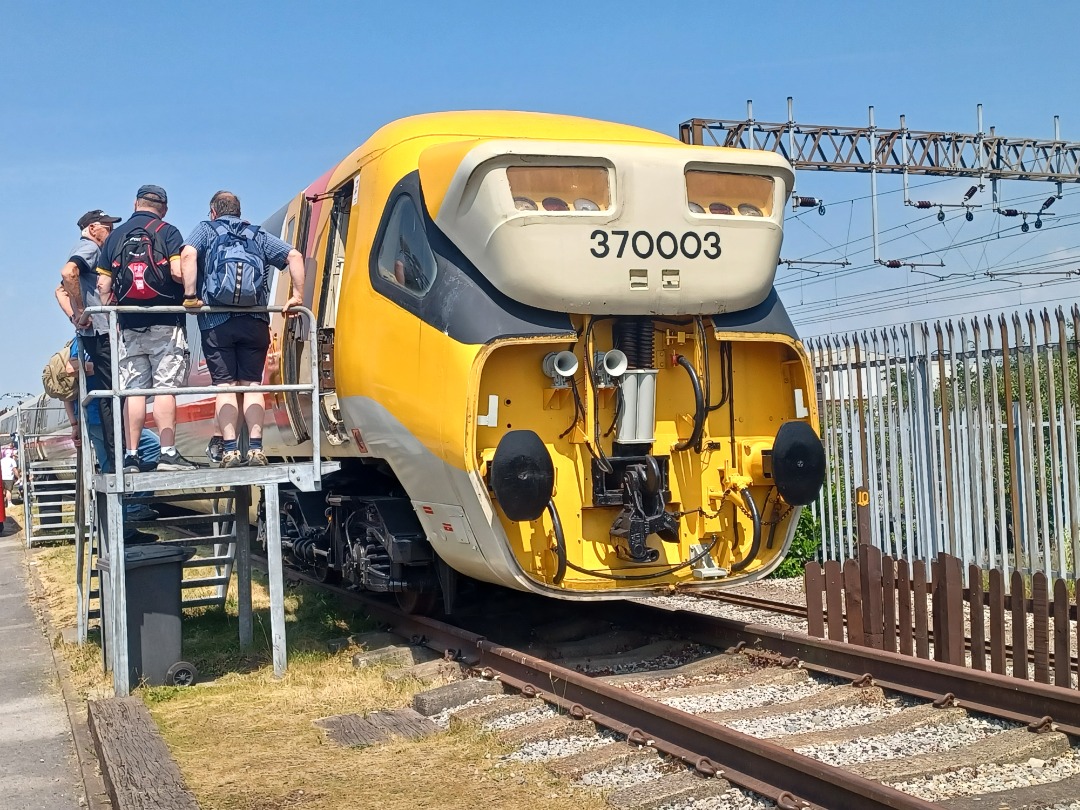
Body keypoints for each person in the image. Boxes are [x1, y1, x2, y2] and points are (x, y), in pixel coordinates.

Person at [180, 190, 304, 468]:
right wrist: (297, 296)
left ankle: (230, 450)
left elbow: (188, 254)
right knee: (252, 385)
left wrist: (190, 296)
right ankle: (257, 449)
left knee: (225, 386)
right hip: (254, 321)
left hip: (216, 322)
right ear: (238, 210)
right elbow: (294, 256)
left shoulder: (206, 230)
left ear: (213, 211)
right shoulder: (256, 234)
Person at [96, 185, 197, 474]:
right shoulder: (168, 231)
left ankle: (131, 457)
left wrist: (114, 314)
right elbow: (178, 272)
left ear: (135, 204)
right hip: (166, 321)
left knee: (134, 391)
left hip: (129, 325)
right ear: (163, 208)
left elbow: (104, 285)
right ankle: (167, 454)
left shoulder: (114, 236)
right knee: (165, 388)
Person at [56, 209, 123, 454]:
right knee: (113, 390)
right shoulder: (91, 249)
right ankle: (118, 449)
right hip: (102, 332)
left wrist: (75, 316)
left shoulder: (84, 249)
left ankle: (117, 447)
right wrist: (84, 310)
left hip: (92, 333)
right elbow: (67, 273)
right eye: (107, 226)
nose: (112, 231)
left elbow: (59, 290)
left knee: (109, 390)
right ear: (93, 229)